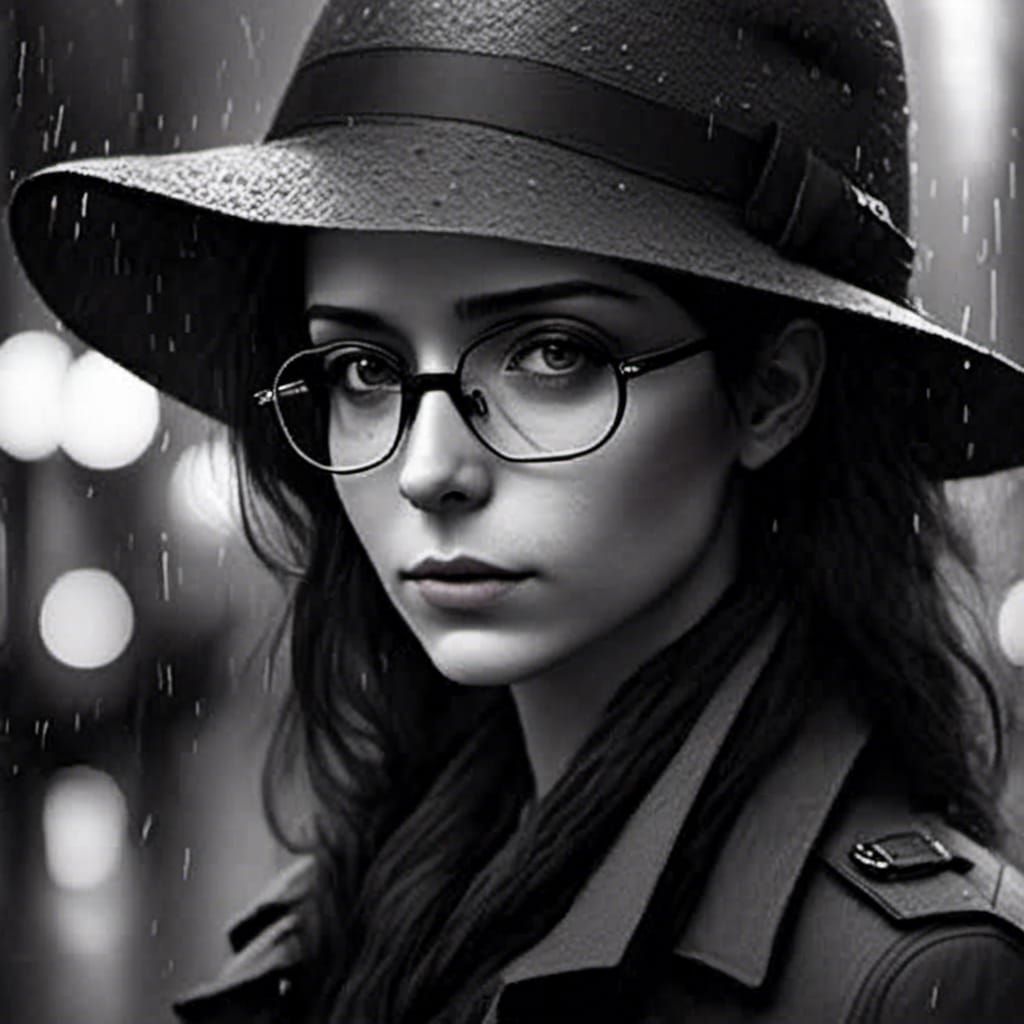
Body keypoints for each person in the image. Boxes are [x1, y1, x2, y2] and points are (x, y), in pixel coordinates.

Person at [10, 0, 1024, 1021]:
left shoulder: (910, 985)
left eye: (552, 354)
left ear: (770, 392)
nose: (427, 467)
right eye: (363, 368)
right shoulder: (366, 904)